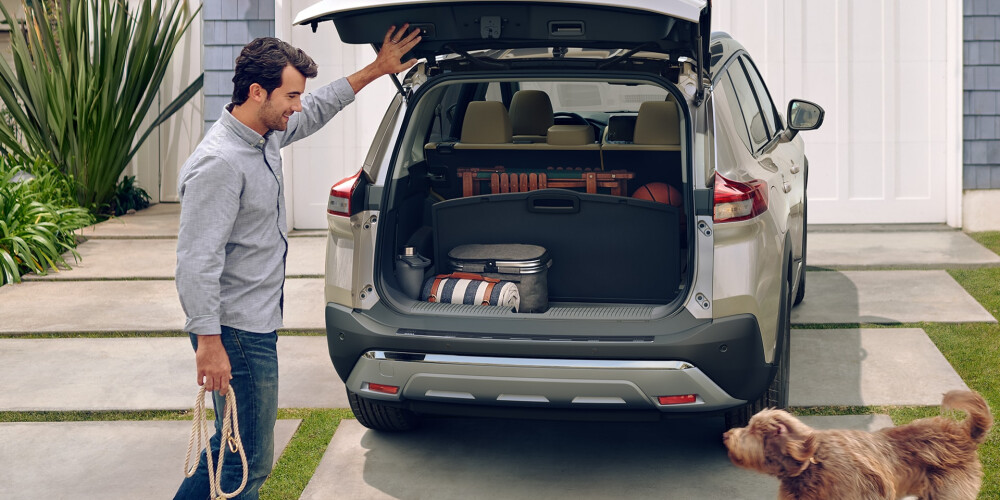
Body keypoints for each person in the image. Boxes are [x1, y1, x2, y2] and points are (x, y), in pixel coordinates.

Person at [173, 25, 421, 499]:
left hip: (249, 327)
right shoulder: (220, 163)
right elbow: (196, 261)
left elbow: (320, 107)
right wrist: (208, 343)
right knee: (247, 466)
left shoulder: (261, 134)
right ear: (256, 91)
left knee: (228, 450)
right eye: (291, 95)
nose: (298, 106)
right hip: (234, 334)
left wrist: (378, 68)